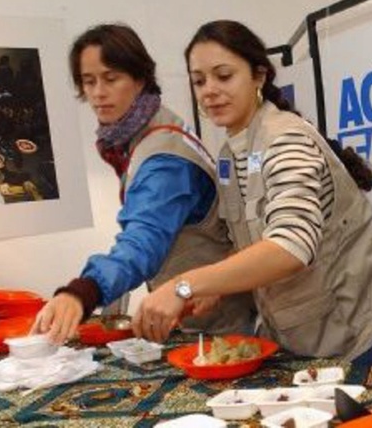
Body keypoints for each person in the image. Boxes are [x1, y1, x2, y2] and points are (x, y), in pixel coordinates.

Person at [133, 20, 372, 367]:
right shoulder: (230, 154)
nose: (209, 91)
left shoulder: (285, 139)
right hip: (301, 334)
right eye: (199, 80)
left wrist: (184, 285)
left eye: (223, 75)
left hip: (357, 333)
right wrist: (216, 286)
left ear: (259, 76)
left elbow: (290, 246)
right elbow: (251, 239)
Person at [31, 24, 254, 344]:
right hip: (198, 316)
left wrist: (83, 291)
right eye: (88, 81)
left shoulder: (163, 156)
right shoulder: (149, 131)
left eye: (111, 78)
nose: (98, 93)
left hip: (219, 329)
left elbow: (141, 243)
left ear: (139, 78)